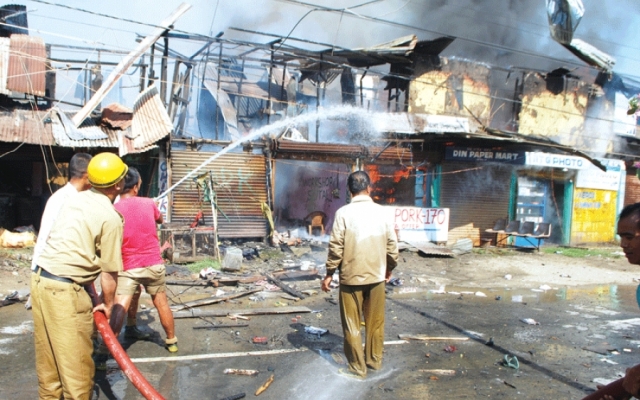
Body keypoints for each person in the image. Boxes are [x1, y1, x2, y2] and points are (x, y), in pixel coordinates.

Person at [30, 152, 127, 399]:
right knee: (79, 381)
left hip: (40, 281)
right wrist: (107, 304)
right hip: (65, 293)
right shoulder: (110, 217)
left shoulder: (73, 199)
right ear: (118, 185)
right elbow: (109, 272)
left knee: (50, 375)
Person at [321, 170, 399, 379]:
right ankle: (374, 361)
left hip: (350, 277)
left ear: (349, 190)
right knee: (375, 322)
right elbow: (392, 246)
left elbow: (336, 246)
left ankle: (357, 368)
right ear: (369, 188)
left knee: (352, 323)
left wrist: (329, 273)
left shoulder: (343, 213)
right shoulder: (382, 212)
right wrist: (389, 267)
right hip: (376, 277)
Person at [109, 167, 177, 354]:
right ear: (137, 186)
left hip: (128, 267)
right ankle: (171, 341)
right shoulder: (149, 203)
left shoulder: (113, 209)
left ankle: (107, 350)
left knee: (119, 304)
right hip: (153, 264)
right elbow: (160, 219)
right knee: (161, 303)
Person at [31, 153, 92, 271]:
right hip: (53, 268)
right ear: (87, 176)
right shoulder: (63, 199)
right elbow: (46, 235)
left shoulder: (76, 197)